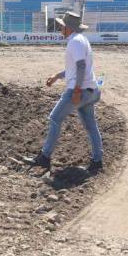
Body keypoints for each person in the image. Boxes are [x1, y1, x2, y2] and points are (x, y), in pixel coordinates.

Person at [24, 11, 103, 174]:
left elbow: (80, 67)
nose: (60, 28)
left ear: (68, 27)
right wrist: (57, 76)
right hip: (91, 91)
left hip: (80, 91)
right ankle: (97, 161)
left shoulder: (75, 42)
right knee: (90, 126)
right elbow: (74, 68)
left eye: (61, 25)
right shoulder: (81, 40)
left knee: (54, 119)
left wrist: (76, 90)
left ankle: (44, 158)